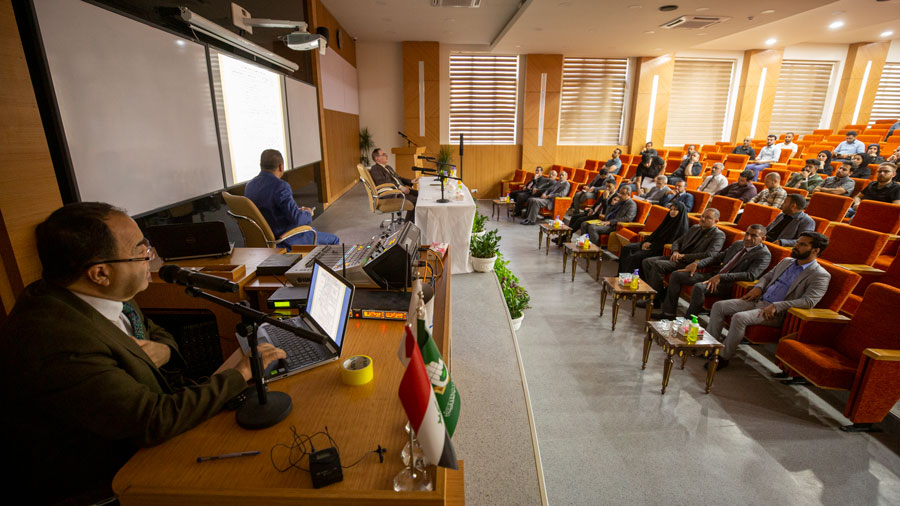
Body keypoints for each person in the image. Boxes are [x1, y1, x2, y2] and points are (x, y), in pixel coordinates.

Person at [0, 203, 286, 504]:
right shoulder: (57, 339)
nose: (152, 257)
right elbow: (152, 419)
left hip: (149, 434)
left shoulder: (103, 294)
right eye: (141, 251)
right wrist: (241, 372)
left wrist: (165, 350)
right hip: (113, 480)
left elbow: (153, 331)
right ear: (100, 273)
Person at [705, 232, 832, 369]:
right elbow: (767, 277)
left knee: (739, 318)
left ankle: (722, 357)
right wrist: (758, 288)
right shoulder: (787, 261)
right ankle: (709, 347)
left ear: (815, 250)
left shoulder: (820, 275)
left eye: (802, 244)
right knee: (719, 306)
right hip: (758, 300)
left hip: (776, 312)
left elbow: (809, 301)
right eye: (797, 242)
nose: (796, 246)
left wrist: (777, 306)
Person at [654, 224, 770, 321]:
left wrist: (721, 277)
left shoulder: (763, 254)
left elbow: (750, 275)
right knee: (677, 275)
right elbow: (717, 257)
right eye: (747, 234)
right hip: (714, 275)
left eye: (753, 236)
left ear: (763, 238)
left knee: (699, 287)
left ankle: (688, 321)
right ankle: (668, 314)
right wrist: (697, 264)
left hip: (729, 284)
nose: (748, 238)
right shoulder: (738, 244)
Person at [245, 149, 340, 245]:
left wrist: (295, 211)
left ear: (261, 166)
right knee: (334, 239)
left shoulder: (249, 186)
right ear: (281, 167)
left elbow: (268, 210)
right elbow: (297, 219)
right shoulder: (281, 186)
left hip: (264, 241)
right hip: (285, 238)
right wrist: (308, 213)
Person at [638, 208, 726, 310]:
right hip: (678, 257)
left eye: (707, 218)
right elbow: (677, 241)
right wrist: (675, 251)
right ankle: (658, 295)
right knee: (647, 261)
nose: (702, 219)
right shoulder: (695, 228)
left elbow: (710, 254)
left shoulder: (718, 235)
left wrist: (684, 256)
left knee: (658, 265)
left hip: (691, 264)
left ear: (716, 221)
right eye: (702, 216)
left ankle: (654, 300)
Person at [618, 202, 689, 275]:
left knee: (636, 256)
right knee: (626, 248)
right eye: (671, 209)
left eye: (675, 210)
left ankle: (630, 278)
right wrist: (645, 243)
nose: (672, 212)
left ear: (680, 212)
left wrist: (651, 246)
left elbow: (671, 242)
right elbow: (656, 233)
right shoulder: (668, 219)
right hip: (652, 245)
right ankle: (621, 276)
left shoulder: (682, 227)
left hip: (660, 249)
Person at [370, 147, 419, 222]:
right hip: (392, 194)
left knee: (420, 195)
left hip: (399, 190)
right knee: (416, 201)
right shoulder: (375, 169)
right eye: (383, 154)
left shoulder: (388, 167)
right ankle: (407, 226)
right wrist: (400, 187)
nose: (386, 155)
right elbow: (385, 183)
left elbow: (398, 178)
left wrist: (410, 181)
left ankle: (415, 223)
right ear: (377, 158)